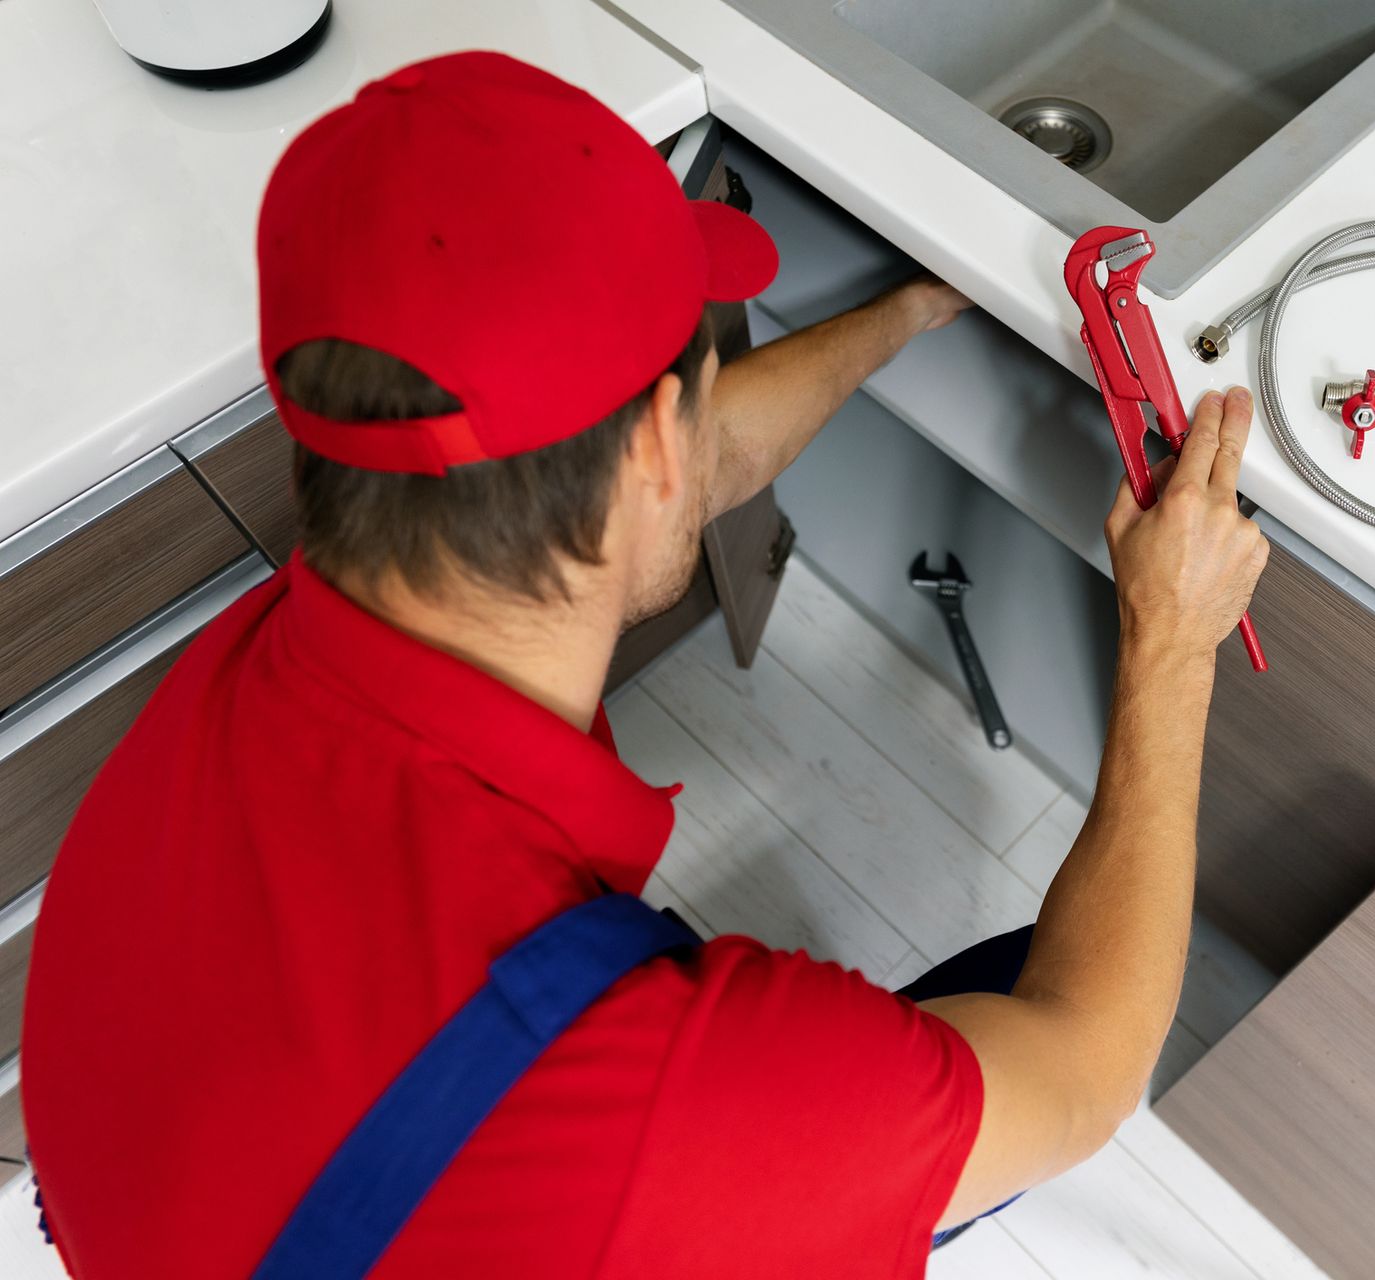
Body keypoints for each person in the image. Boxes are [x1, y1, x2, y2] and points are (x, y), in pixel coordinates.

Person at [21, 51, 1268, 1279]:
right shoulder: (669, 1108)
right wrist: (1172, 638)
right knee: (1033, 996)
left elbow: (683, 465)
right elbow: (1088, 1062)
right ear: (655, 451)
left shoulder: (237, 683)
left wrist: (905, 312)